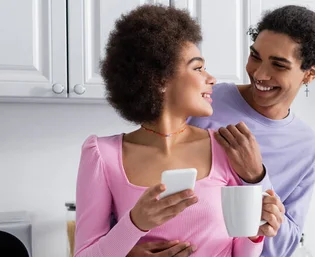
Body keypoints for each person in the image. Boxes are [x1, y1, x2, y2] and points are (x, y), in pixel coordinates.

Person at [74, 5, 283, 257]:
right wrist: (134, 224)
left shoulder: (225, 147)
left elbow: (242, 253)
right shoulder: (102, 154)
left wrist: (256, 231)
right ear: (160, 79)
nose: (211, 78)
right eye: (197, 68)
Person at [128, 5, 315, 257]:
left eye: (278, 65)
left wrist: (256, 177)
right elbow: (131, 184)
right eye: (255, 56)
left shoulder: (306, 147)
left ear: (310, 74)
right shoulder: (204, 101)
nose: (259, 73)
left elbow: (282, 248)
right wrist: (129, 251)